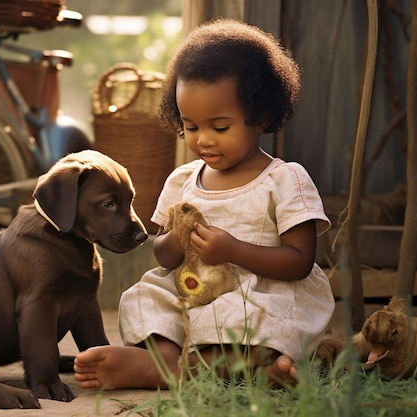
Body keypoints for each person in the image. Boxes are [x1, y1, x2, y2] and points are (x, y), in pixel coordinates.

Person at [74, 17, 334, 390]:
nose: (204, 140)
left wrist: (234, 250)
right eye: (191, 126)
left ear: (259, 115)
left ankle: (205, 367)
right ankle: (171, 361)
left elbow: (300, 261)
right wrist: (175, 242)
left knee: (248, 316)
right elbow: (162, 255)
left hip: (259, 291)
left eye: (220, 126)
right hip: (191, 287)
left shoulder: (284, 179)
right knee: (148, 295)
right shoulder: (183, 179)